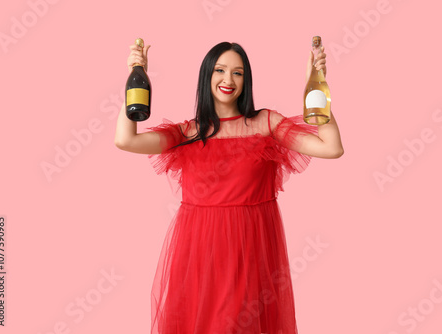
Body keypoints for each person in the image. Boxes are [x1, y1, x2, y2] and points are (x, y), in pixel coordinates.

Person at [115, 40, 343, 334]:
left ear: (246, 80)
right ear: (206, 75)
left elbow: (331, 147)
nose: (228, 80)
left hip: (252, 250)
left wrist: (316, 89)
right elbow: (126, 140)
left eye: (238, 73)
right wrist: (137, 74)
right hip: (198, 253)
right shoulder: (188, 132)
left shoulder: (266, 123)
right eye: (220, 70)